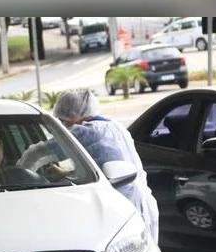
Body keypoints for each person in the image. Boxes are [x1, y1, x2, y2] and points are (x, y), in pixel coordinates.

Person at [18, 90, 159, 241]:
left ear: (72, 116)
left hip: (121, 209)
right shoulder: (115, 127)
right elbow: (102, 166)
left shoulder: (87, 132)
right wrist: (64, 173)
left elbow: (38, 152)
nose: (63, 127)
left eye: (62, 121)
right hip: (144, 204)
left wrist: (18, 175)